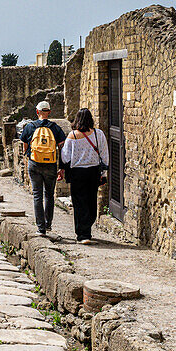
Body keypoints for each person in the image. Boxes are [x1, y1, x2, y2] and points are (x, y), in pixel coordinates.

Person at [61, 108, 109, 244]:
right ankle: (87, 229)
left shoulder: (72, 136)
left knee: (79, 203)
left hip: (77, 173)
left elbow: (65, 158)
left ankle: (82, 234)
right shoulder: (99, 134)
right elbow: (105, 156)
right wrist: (104, 174)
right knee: (91, 201)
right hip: (93, 172)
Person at [19, 100, 66, 237]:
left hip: (34, 164)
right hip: (51, 164)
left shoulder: (30, 127)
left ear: (37, 112)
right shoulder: (55, 128)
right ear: (49, 112)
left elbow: (25, 147)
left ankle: (40, 228)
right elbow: (62, 148)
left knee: (37, 195)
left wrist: (30, 158)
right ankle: (48, 223)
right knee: (49, 195)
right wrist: (61, 167)